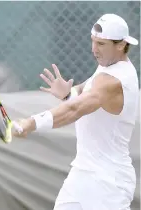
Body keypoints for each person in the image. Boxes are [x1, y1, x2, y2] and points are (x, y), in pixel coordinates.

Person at [12, 14, 140, 210]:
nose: (94, 49)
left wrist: (31, 123)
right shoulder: (108, 67)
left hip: (109, 182)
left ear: (121, 45)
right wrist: (68, 93)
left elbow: (76, 109)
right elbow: (85, 90)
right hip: (82, 174)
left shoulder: (115, 80)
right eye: (93, 41)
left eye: (101, 44)